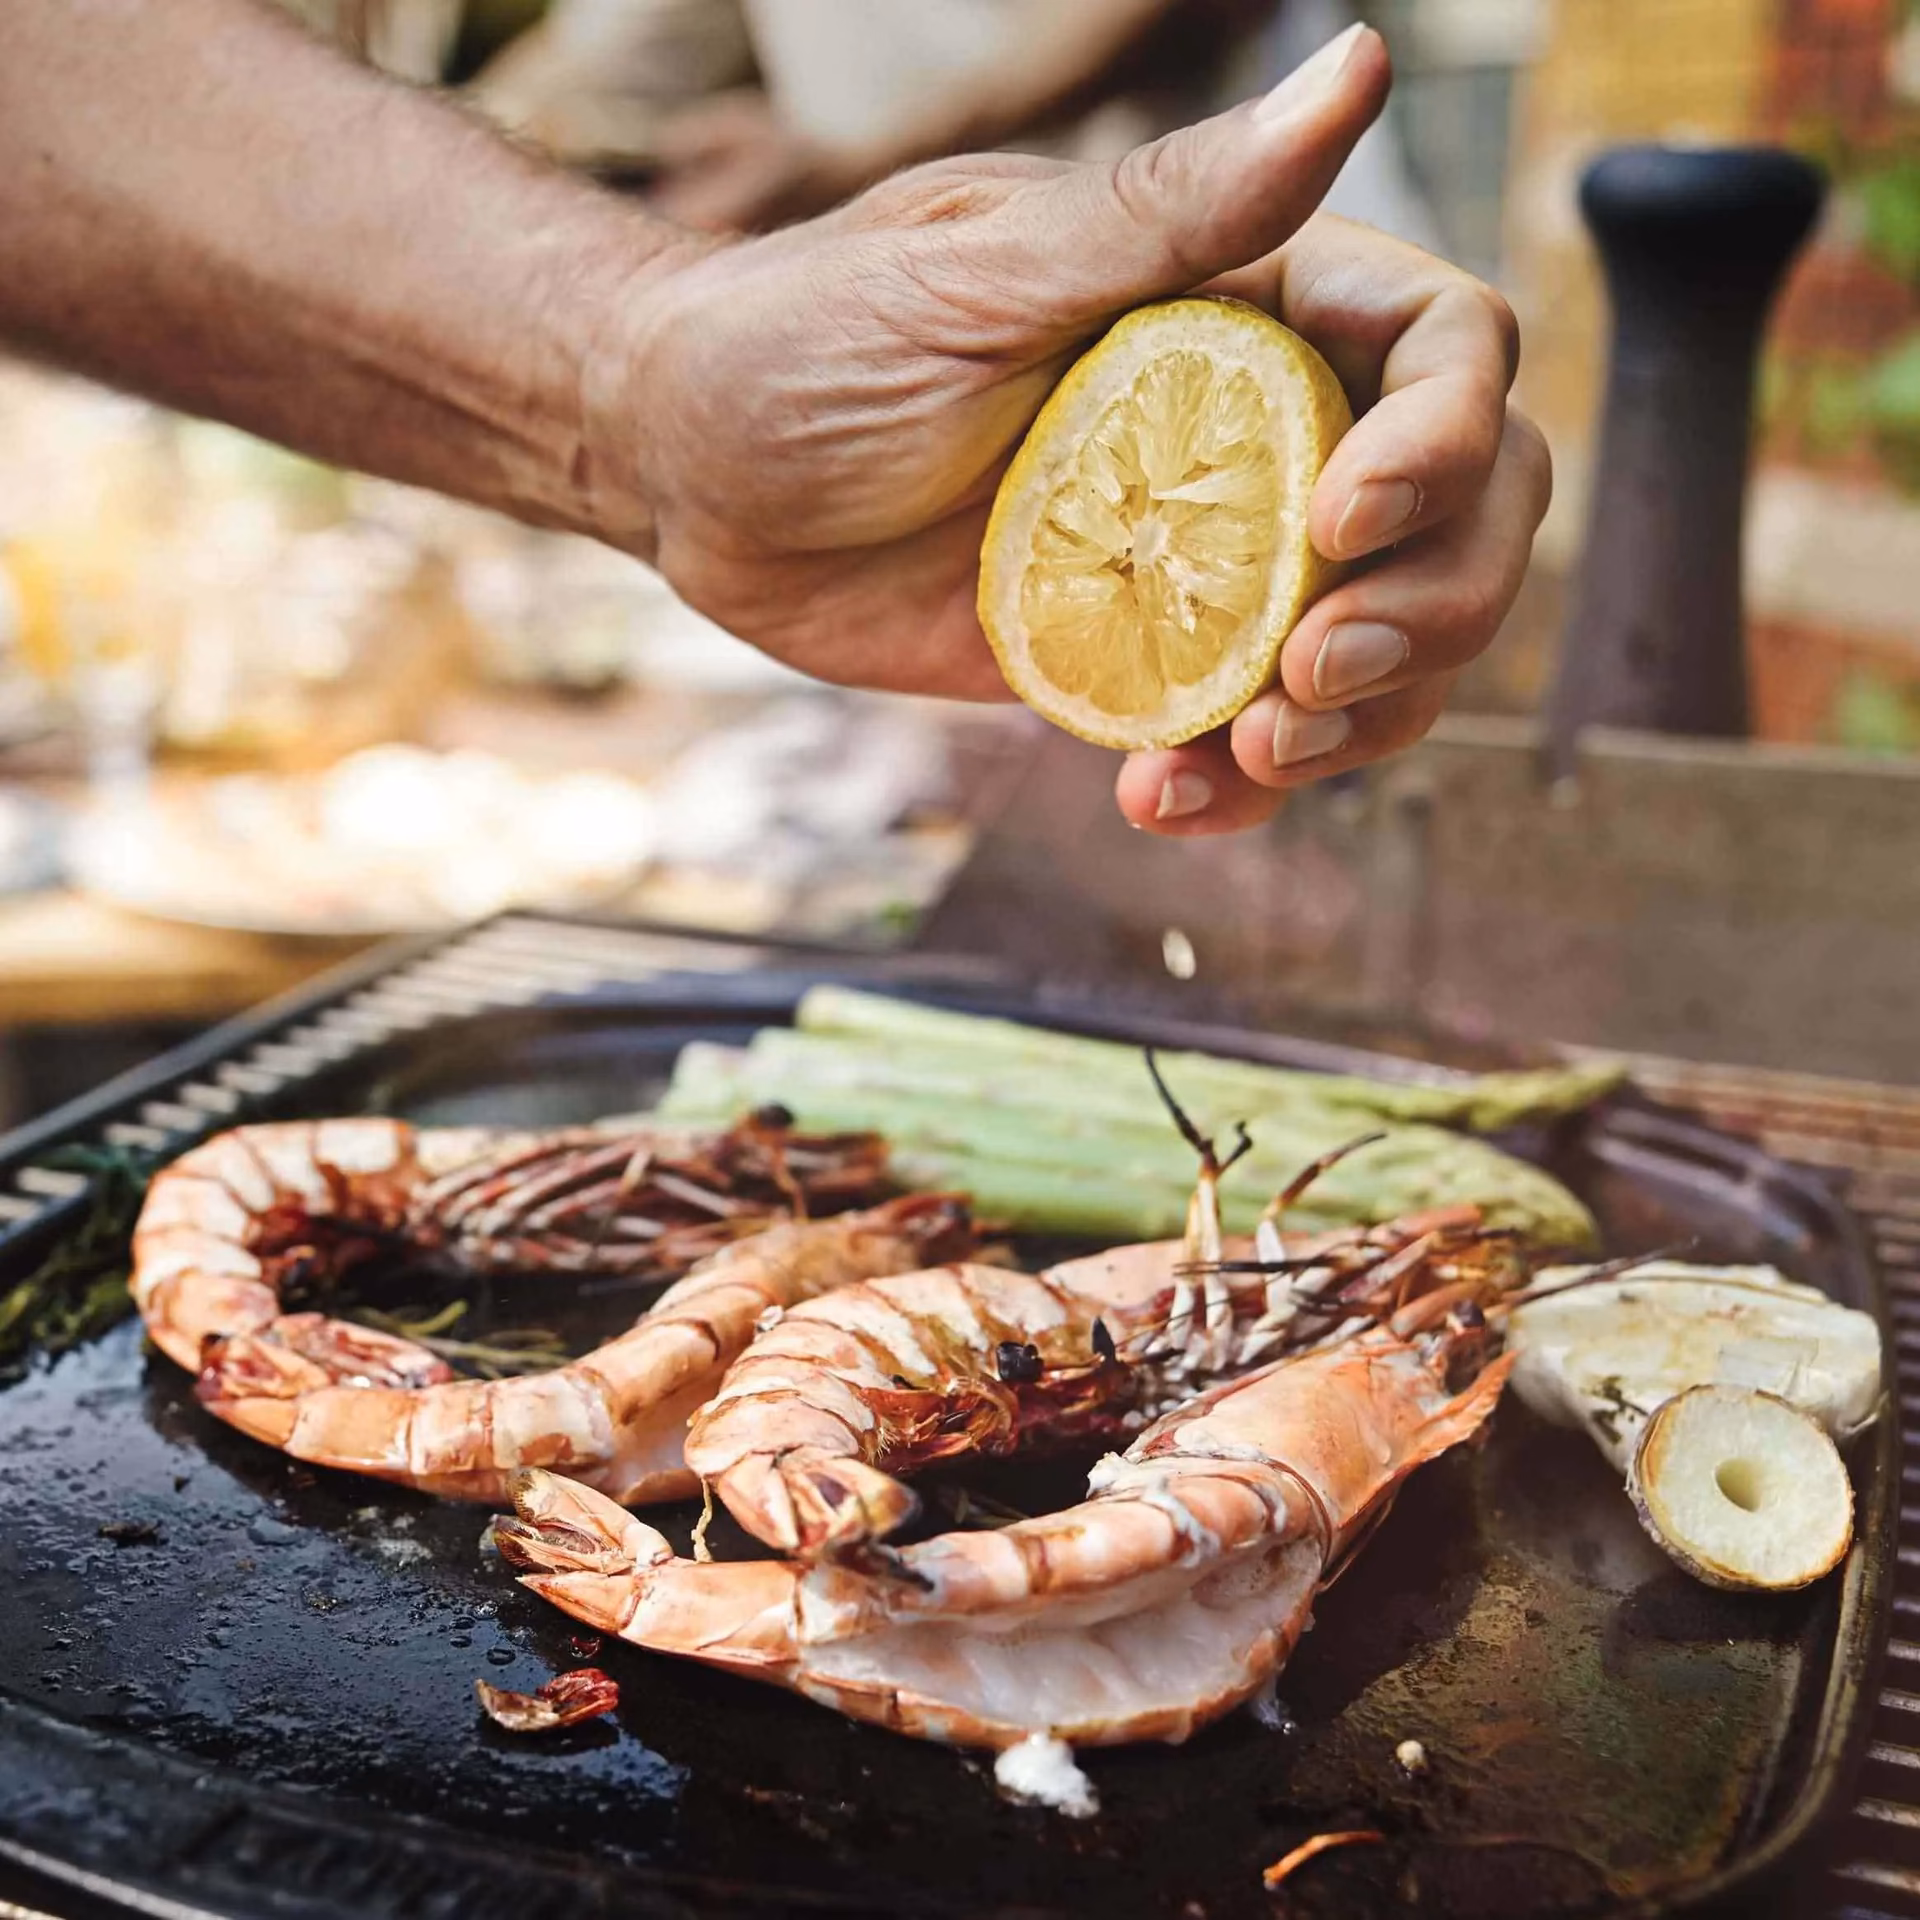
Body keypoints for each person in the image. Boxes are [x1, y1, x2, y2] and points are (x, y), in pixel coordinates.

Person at [0, 1, 1548, 838]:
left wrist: (815, 186)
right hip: (964, 410)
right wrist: (605, 294)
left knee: (1316, 754)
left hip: (1165, 282)